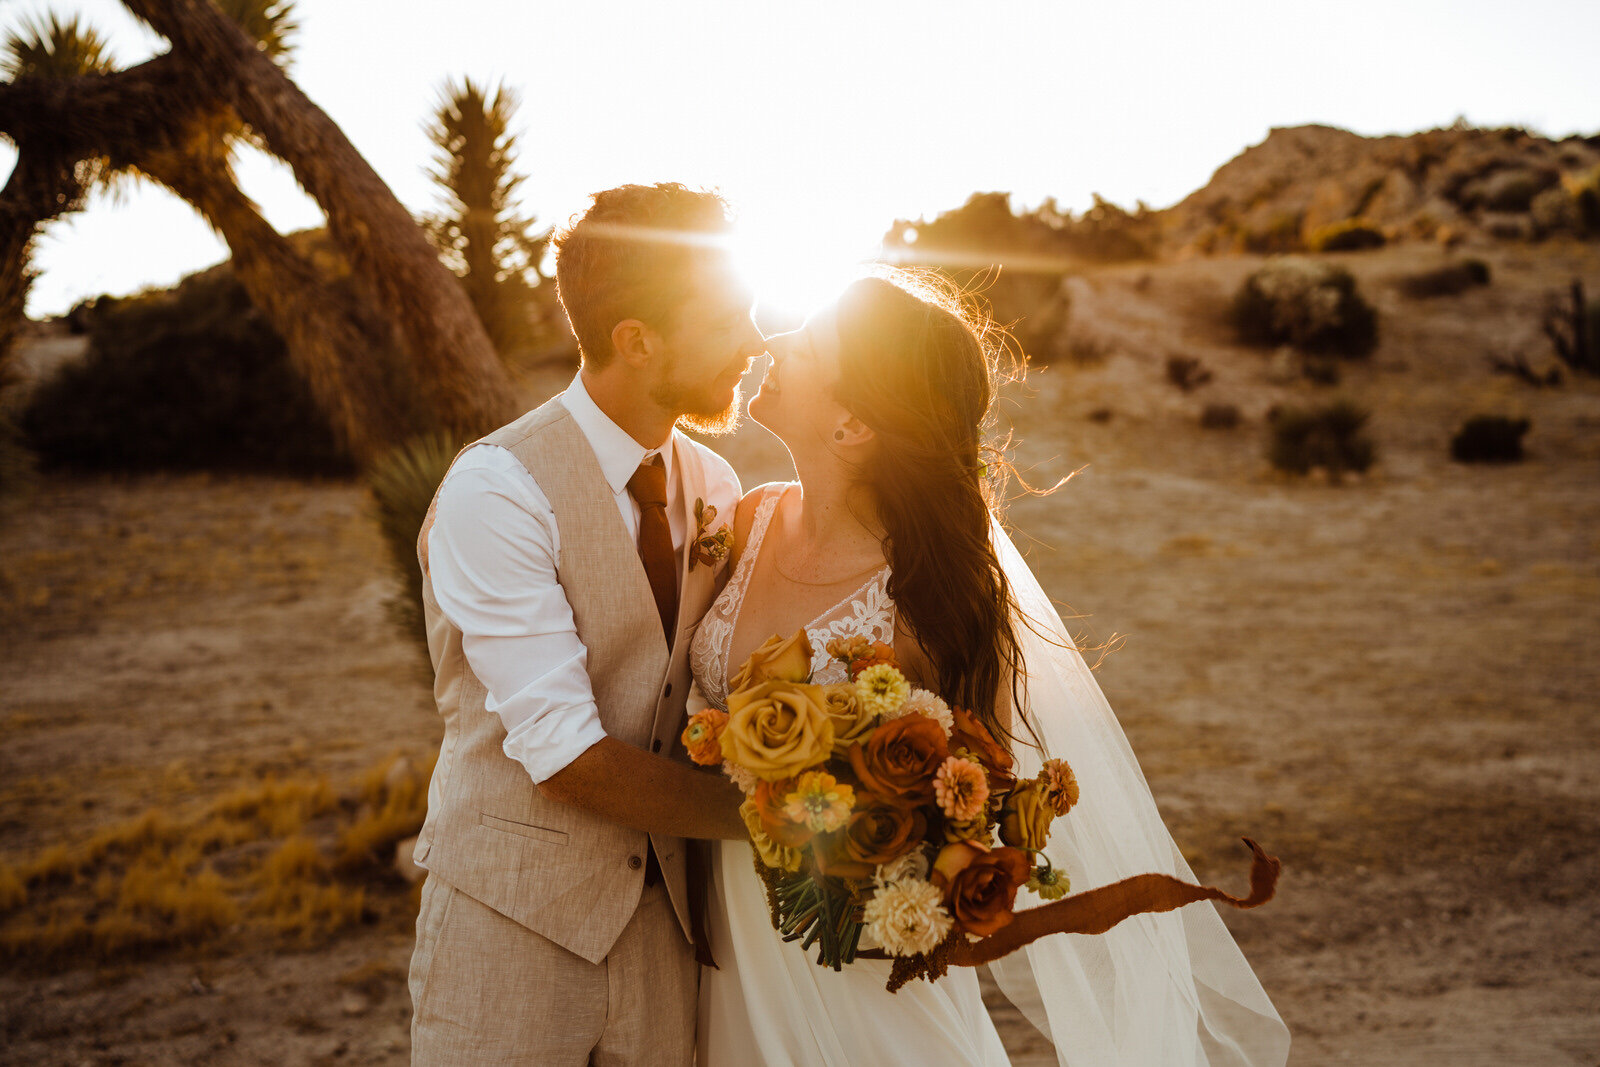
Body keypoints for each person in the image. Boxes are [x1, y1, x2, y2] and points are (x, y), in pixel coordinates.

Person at [688, 268, 1291, 1065]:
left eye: (808, 341)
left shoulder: (928, 600)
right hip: (716, 943)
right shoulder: (746, 518)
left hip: (851, 970)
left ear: (850, 426)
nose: (775, 340)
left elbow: (971, 808)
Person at [408, 183, 762, 1065]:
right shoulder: (499, 489)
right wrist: (784, 819)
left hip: (669, 939)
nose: (753, 342)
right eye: (725, 318)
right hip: (512, 928)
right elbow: (563, 754)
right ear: (635, 341)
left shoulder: (714, 485)